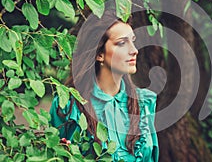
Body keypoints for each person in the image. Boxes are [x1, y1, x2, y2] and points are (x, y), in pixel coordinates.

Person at [49, 9, 159, 161]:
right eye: (122, 43)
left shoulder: (145, 102)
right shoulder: (68, 105)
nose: (134, 51)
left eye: (132, 41)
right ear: (99, 54)